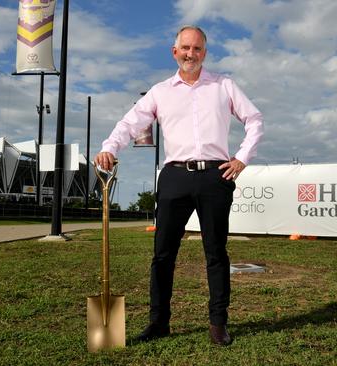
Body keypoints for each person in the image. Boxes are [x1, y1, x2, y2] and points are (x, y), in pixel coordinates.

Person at [95, 25, 263, 346]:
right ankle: (159, 323)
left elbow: (254, 119)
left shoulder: (224, 85)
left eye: (197, 49)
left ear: (205, 53)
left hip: (216, 176)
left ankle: (218, 324)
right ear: (175, 52)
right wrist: (109, 148)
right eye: (185, 48)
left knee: (216, 253)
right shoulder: (160, 92)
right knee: (162, 254)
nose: (191, 54)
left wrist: (241, 157)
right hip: (174, 177)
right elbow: (129, 125)